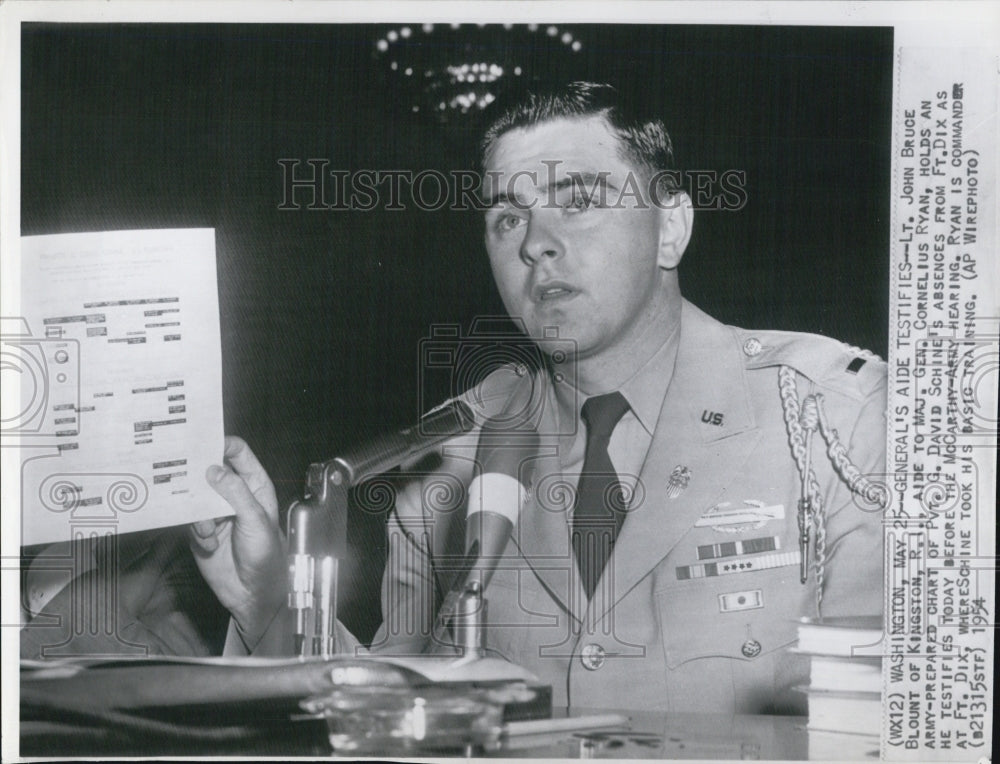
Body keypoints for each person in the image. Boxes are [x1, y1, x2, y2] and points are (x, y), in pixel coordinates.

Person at [24, 82, 887, 715]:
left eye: (578, 203)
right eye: (507, 217)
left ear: (672, 225)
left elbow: (886, 711)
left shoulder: (832, 417)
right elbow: (398, 721)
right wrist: (263, 597)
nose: (538, 245)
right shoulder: (448, 466)